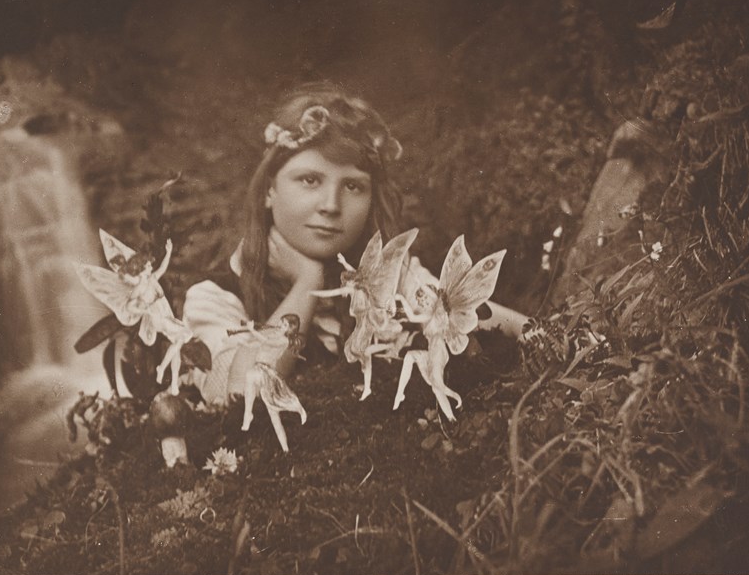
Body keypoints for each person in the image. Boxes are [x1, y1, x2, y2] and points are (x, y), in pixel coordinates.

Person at [182, 82, 528, 406]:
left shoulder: (390, 276)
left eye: (353, 187)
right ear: (270, 189)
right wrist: (307, 283)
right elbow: (242, 394)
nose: (331, 205)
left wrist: (540, 333)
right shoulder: (215, 296)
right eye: (310, 180)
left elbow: (471, 313)